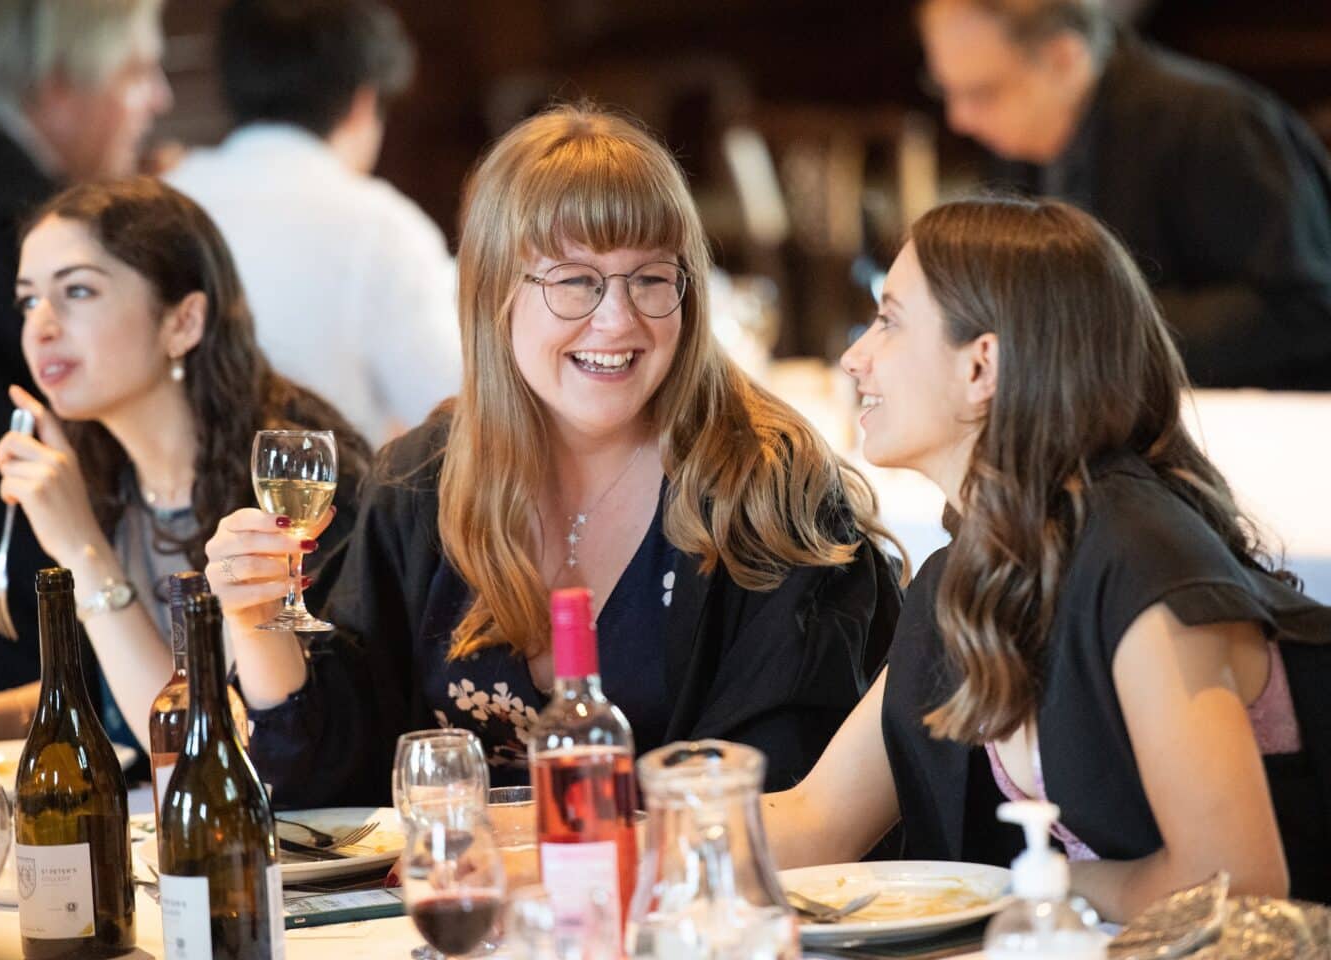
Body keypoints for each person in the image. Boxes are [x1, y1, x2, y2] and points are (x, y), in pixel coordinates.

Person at [204, 104, 906, 807]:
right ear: (495, 297)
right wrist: (257, 618)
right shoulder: (423, 483)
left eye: (652, 279)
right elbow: (321, 785)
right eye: (576, 282)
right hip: (465, 908)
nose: (619, 319)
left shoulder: (767, 492)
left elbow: (782, 789)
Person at [764, 196, 1331, 922]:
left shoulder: (1141, 561)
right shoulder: (973, 574)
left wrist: (1038, 890)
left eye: (890, 321)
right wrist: (630, 831)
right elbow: (816, 819)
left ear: (982, 367)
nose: (855, 356)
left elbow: (1234, 888)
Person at [0, 177, 371, 752]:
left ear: (182, 322)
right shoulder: (114, 482)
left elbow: (206, 750)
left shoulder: (288, 488)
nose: (41, 326)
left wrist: (86, 554)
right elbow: (111, 693)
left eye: (77, 292)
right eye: (29, 300)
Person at [0, 0, 173, 694]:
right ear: (58, 84)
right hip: (1, 621)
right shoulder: (16, 218)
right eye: (136, 72)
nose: (159, 96)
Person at [916, 0, 1331, 390]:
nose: (959, 118)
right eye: (946, 89)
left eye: (982, 93)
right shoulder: (1020, 144)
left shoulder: (1215, 124)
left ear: (1063, 57)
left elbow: (1309, 310)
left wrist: (1092, 333)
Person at [165, 0, 460, 444]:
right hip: (328, 504)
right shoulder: (381, 226)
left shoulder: (167, 197)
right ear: (363, 101)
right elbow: (454, 406)